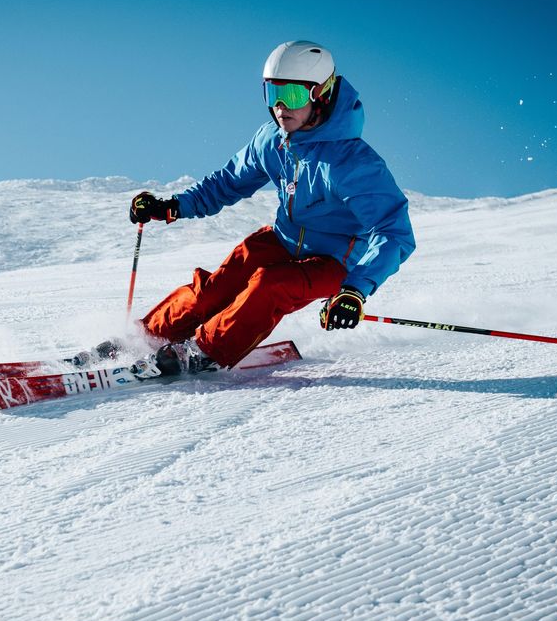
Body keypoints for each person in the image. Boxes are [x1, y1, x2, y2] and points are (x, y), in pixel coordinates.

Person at [128, 40, 416, 378]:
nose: (280, 107)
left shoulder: (352, 163)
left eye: (292, 95)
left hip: (335, 261)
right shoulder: (272, 140)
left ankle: (204, 352)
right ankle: (146, 336)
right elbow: (226, 182)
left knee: (271, 284)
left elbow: (393, 232)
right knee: (217, 288)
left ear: (320, 94)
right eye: (272, 94)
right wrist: (172, 206)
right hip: (282, 239)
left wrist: (356, 289)